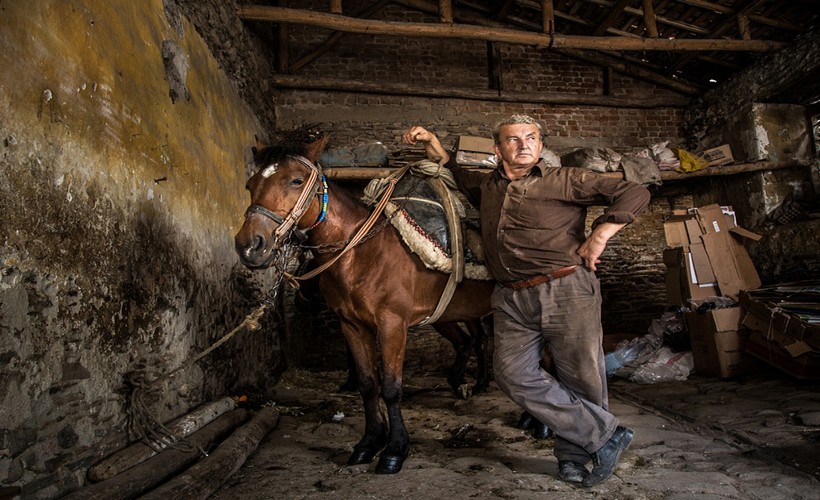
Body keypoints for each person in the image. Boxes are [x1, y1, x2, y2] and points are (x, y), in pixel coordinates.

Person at [401, 115, 651, 487]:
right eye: (513, 140)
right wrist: (432, 143)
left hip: (565, 289)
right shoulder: (489, 186)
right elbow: (453, 170)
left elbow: (635, 193)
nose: (523, 144)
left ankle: (573, 457)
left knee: (581, 377)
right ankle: (606, 435)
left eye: (531, 137)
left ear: (539, 143)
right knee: (512, 374)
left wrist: (601, 234)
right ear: (498, 149)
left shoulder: (564, 179)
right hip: (511, 297)